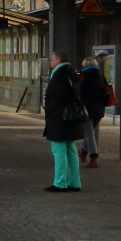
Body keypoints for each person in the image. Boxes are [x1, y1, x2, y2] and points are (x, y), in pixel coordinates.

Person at [42, 50, 83, 192]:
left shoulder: (58, 76)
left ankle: (60, 182)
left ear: (58, 60)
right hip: (71, 118)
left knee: (58, 150)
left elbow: (57, 98)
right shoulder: (71, 74)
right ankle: (75, 181)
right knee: (71, 150)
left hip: (59, 119)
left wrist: (48, 108)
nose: (50, 62)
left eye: (51, 59)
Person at [77, 56, 107, 168]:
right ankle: (83, 152)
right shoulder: (100, 75)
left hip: (87, 108)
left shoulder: (83, 75)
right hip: (99, 108)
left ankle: (94, 157)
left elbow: (80, 91)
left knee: (89, 133)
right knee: (89, 132)